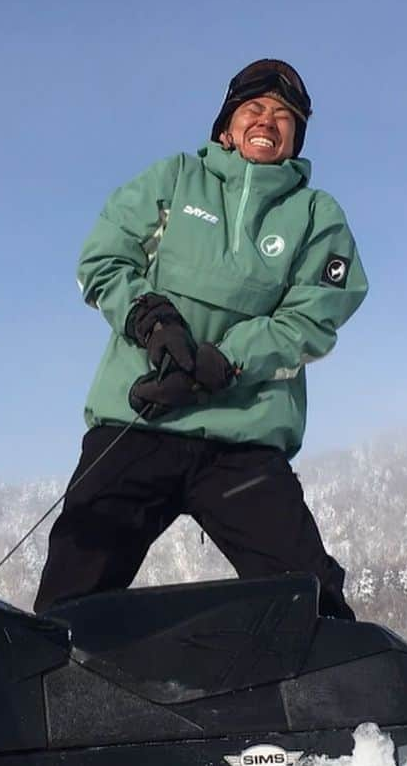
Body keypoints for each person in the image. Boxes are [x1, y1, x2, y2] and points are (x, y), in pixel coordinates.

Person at [33, 59, 368, 619]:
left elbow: (315, 315)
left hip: (243, 437)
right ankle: (51, 699)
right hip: (139, 420)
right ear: (226, 127)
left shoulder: (316, 214)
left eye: (285, 115)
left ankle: (346, 706)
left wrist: (227, 361)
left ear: (296, 137)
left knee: (313, 601)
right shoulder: (174, 178)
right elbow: (103, 259)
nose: (269, 120)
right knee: (71, 601)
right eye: (255, 109)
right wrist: (153, 321)